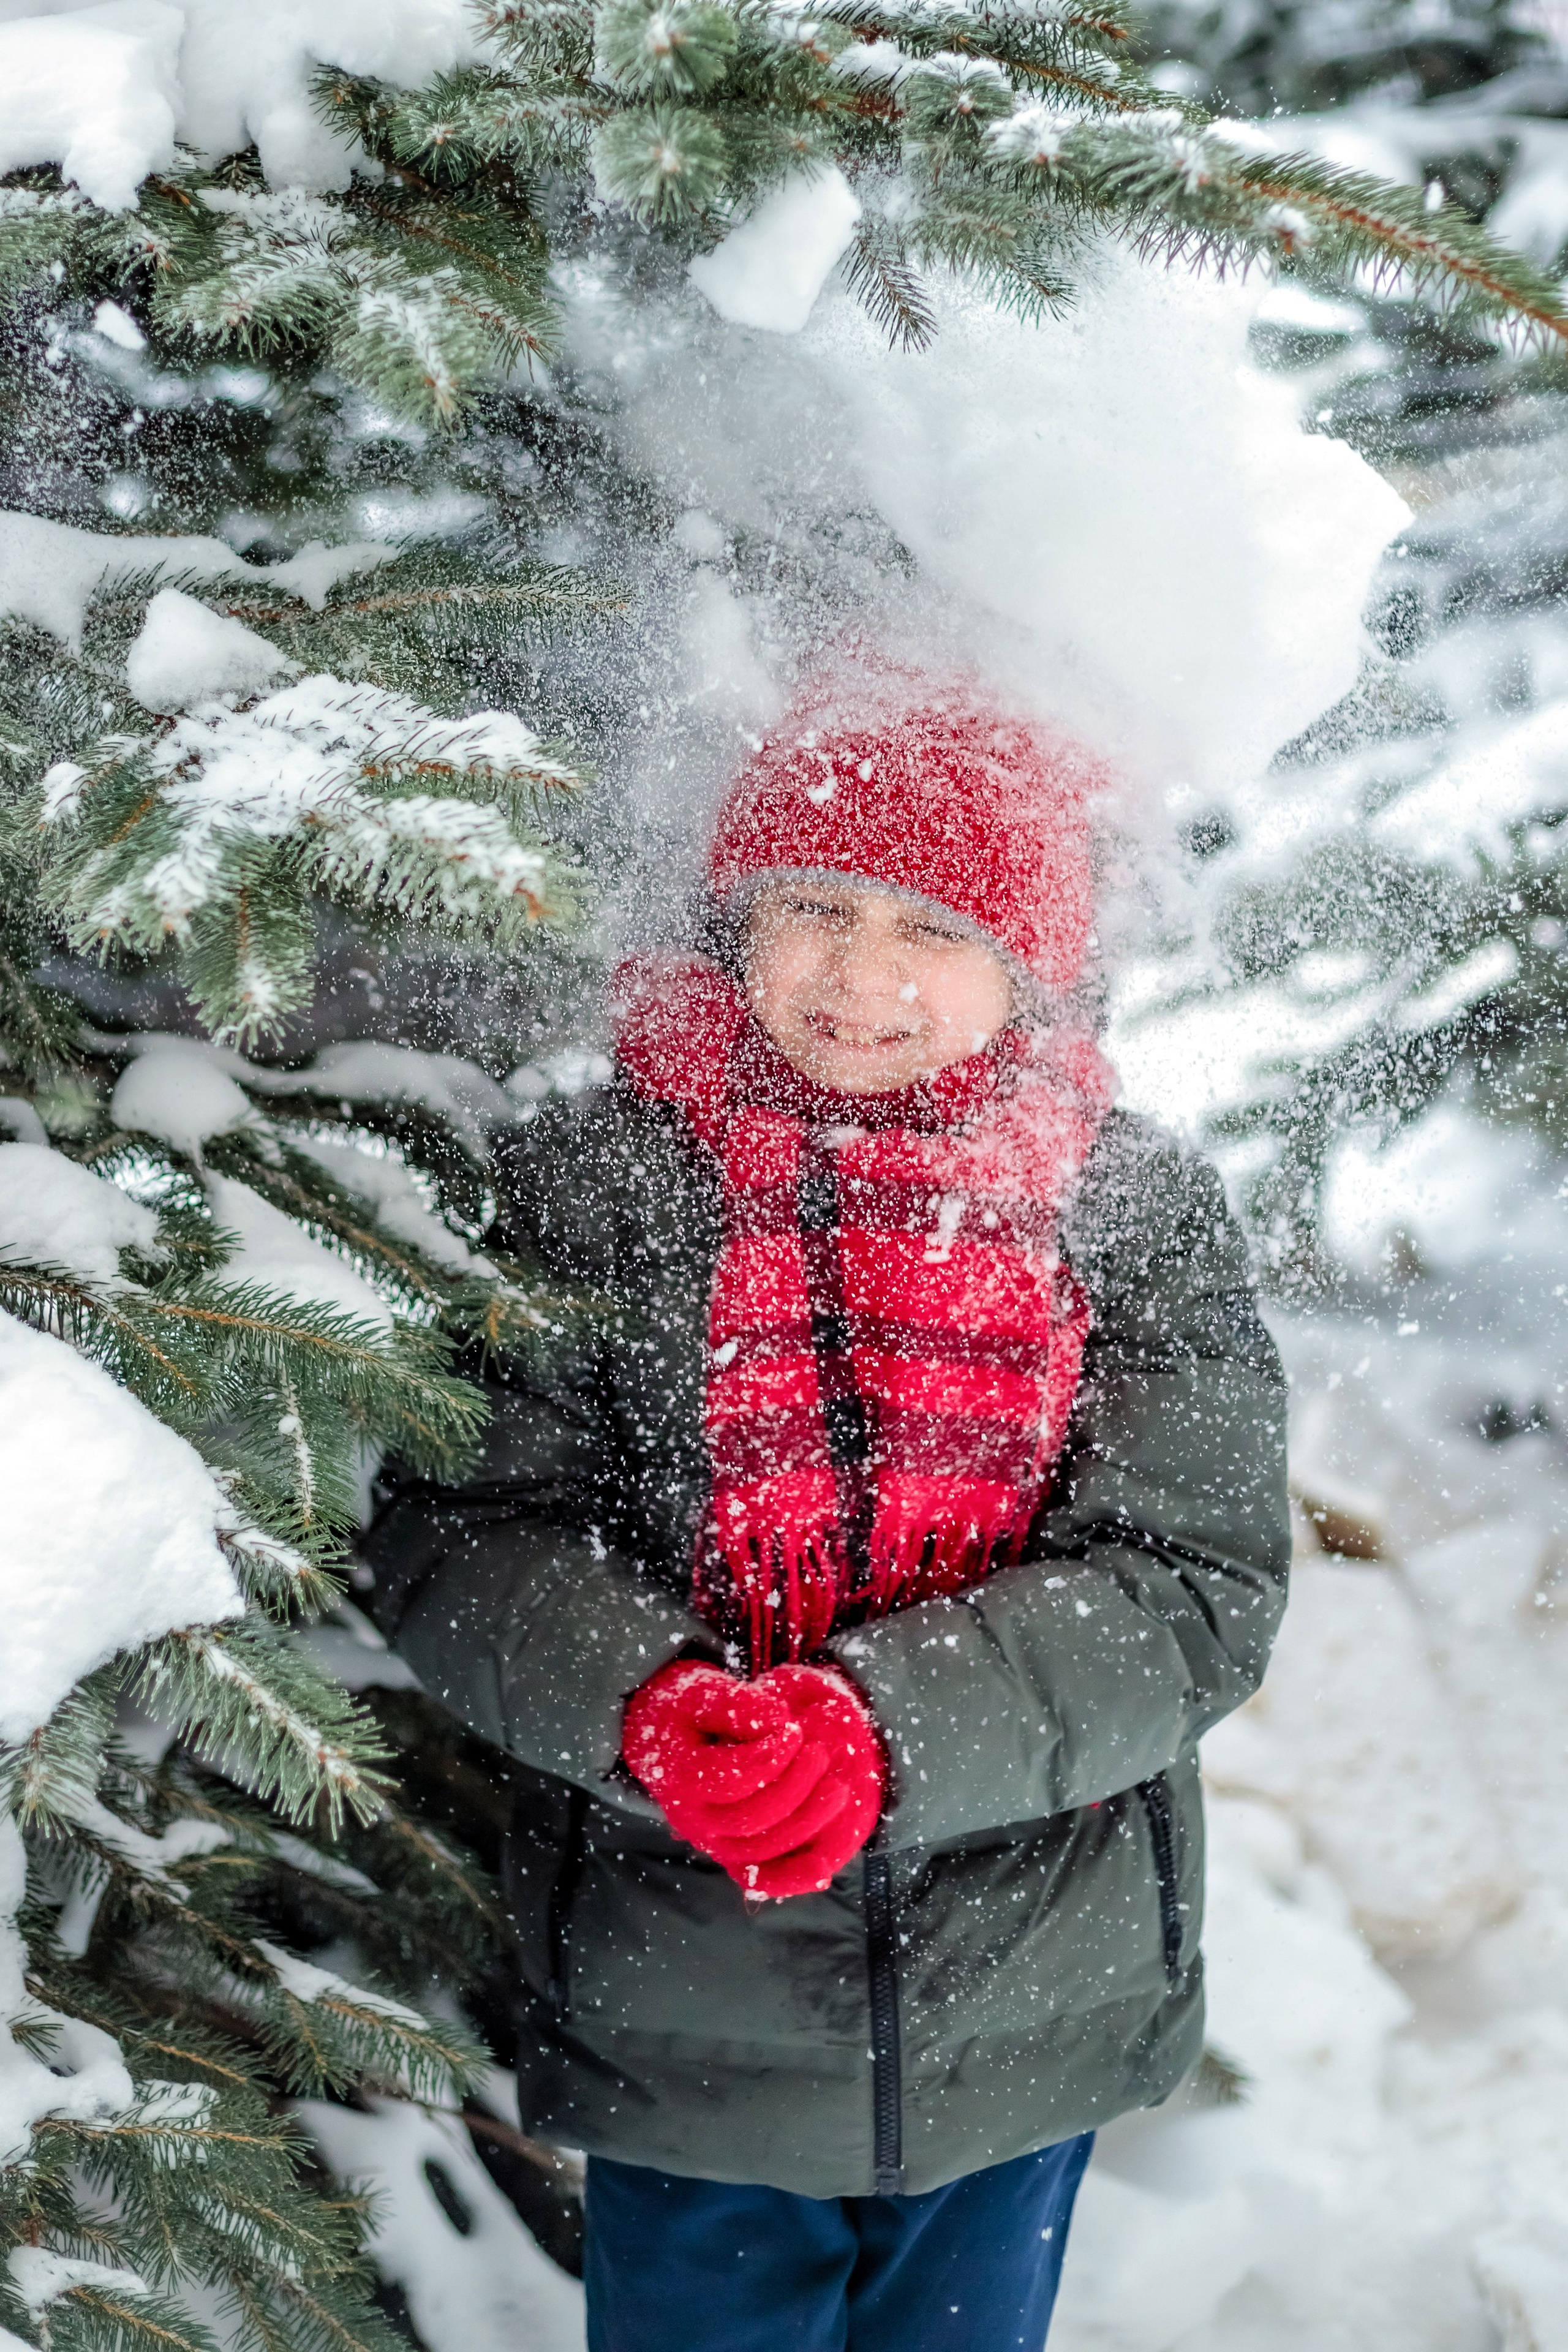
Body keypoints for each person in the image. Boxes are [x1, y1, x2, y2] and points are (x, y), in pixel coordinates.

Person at [361, 671, 1291, 2352]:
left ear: (1032, 961)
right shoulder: (606, 1181)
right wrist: (652, 1705)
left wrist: (888, 1727)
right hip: (686, 1990)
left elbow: (1193, 1575)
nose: (860, 976)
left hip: (1032, 1992)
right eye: (812, 909)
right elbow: (462, 1527)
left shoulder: (1127, 1206)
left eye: (930, 927)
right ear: (737, 921)